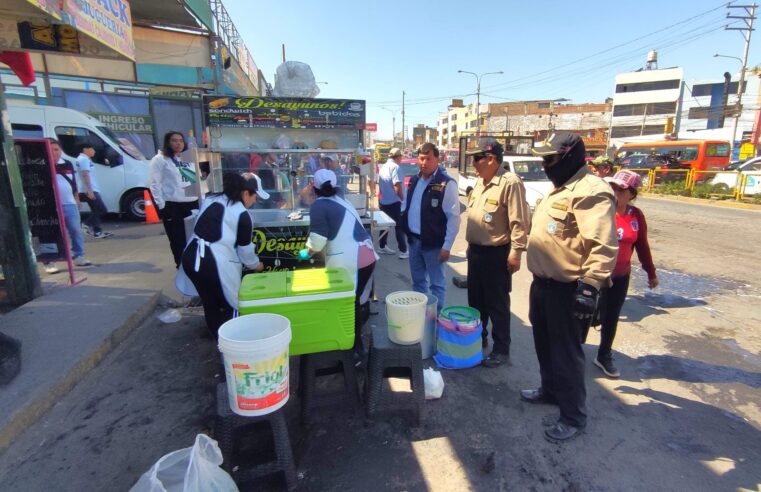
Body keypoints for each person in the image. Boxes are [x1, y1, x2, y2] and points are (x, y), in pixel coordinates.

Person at [522, 131, 618, 442]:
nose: (545, 164)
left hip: (568, 290)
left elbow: (602, 245)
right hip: (543, 286)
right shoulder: (559, 188)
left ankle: (573, 416)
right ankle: (550, 391)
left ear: (569, 157)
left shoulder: (591, 191)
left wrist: (590, 287)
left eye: (550, 158)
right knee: (544, 344)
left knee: (567, 354)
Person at [176, 173, 267, 337]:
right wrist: (257, 265)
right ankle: (233, 343)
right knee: (231, 305)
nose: (254, 202)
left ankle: (218, 339)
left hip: (191, 257)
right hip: (211, 263)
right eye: (255, 197)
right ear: (246, 193)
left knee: (210, 304)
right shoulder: (242, 214)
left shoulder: (212, 199)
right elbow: (245, 251)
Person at [464, 140, 530, 368]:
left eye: (476, 158)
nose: (472, 163)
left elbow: (520, 222)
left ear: (490, 159)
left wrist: (516, 253)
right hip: (476, 253)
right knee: (476, 301)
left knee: (497, 304)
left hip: (497, 254)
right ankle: (478, 338)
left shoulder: (510, 183)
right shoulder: (481, 182)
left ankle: (501, 349)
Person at [304, 169, 378, 355]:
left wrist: (303, 254)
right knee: (354, 301)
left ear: (313, 186)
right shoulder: (341, 199)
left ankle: (353, 348)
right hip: (367, 256)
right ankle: (353, 344)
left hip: (352, 259)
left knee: (347, 303)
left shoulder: (319, 206)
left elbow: (317, 243)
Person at [595, 170, 658, 378]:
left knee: (611, 317)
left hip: (620, 276)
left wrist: (651, 273)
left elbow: (642, 245)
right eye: (612, 187)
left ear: (631, 193)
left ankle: (604, 354)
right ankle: (573, 352)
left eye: (620, 189)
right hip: (594, 274)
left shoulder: (635, 215)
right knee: (584, 315)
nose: (615, 192)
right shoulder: (600, 210)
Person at [401, 142, 460, 312]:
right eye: (421, 159)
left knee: (437, 285)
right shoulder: (413, 181)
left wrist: (447, 246)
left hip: (434, 245)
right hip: (414, 242)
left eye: (428, 159)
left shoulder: (446, 184)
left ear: (437, 159)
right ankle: (420, 317)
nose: (424, 163)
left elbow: (454, 218)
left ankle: (435, 320)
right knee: (418, 282)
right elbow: (406, 205)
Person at [149, 131, 199, 268]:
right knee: (178, 240)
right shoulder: (160, 159)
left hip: (192, 204)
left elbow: (194, 180)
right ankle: (181, 267)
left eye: (181, 141)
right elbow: (154, 184)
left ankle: (194, 267)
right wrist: (161, 206)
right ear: (168, 142)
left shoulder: (187, 159)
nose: (178, 143)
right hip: (173, 206)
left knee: (194, 239)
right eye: (174, 140)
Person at [43, 139, 92, 274]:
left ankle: (78, 255)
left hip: (69, 203)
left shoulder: (67, 164)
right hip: (50, 205)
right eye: (51, 149)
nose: (54, 153)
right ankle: (49, 261)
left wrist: (76, 198)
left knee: (75, 230)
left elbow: (73, 182)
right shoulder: (41, 164)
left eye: (57, 149)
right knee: (52, 233)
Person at [377, 147, 408, 259]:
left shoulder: (383, 167)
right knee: (399, 226)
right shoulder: (395, 167)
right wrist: (402, 198)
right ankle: (403, 250)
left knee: (385, 225)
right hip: (394, 202)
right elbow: (397, 185)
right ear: (398, 157)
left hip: (384, 200)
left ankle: (382, 246)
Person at [76, 143, 112, 239]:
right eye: (92, 149)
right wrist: (90, 190)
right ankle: (86, 224)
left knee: (95, 210)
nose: (94, 151)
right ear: (85, 149)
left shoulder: (85, 159)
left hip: (90, 189)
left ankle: (97, 232)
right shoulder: (83, 159)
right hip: (89, 190)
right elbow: (85, 174)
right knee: (102, 209)